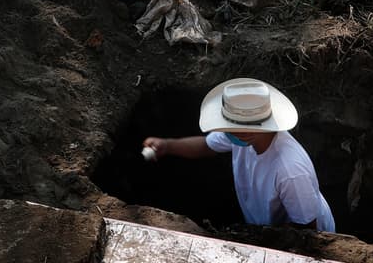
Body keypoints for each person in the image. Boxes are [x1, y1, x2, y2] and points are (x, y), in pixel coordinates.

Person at [142, 78, 335, 232]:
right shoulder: (241, 135)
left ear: (248, 130)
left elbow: (307, 229)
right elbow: (206, 145)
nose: (226, 131)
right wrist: (167, 145)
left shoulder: (290, 170)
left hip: (300, 238)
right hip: (262, 224)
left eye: (231, 127)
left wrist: (258, 238)